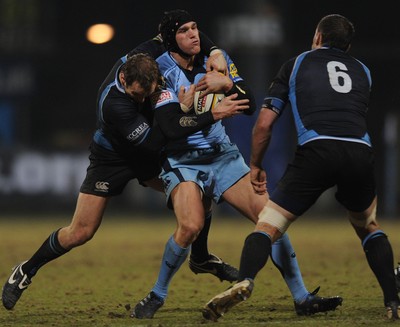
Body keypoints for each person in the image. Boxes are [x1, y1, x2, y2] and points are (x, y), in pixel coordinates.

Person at [1, 43, 249, 310]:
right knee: (81, 231)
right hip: (113, 159)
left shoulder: (146, 57)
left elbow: (177, 31)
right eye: (137, 95)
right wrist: (183, 109)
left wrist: (213, 51)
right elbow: (153, 142)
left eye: (148, 94)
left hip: (149, 154)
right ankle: (26, 269)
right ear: (123, 78)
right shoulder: (114, 104)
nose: (142, 100)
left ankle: (200, 258)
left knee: (201, 196)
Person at [131, 9, 342, 320]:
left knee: (272, 221)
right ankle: (158, 293)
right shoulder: (161, 71)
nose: (194, 35)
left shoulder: (215, 60)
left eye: (195, 28)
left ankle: (301, 297)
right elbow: (171, 127)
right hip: (182, 160)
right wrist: (215, 113)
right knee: (190, 226)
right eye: (184, 31)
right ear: (170, 40)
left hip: (222, 155)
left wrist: (227, 85)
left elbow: (249, 102)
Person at [202, 14, 400, 321]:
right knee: (368, 227)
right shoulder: (364, 71)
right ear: (346, 46)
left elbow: (265, 124)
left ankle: (245, 280)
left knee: (268, 225)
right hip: (359, 151)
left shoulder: (296, 64)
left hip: (317, 150)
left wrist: (255, 165)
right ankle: (392, 301)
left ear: (318, 37)